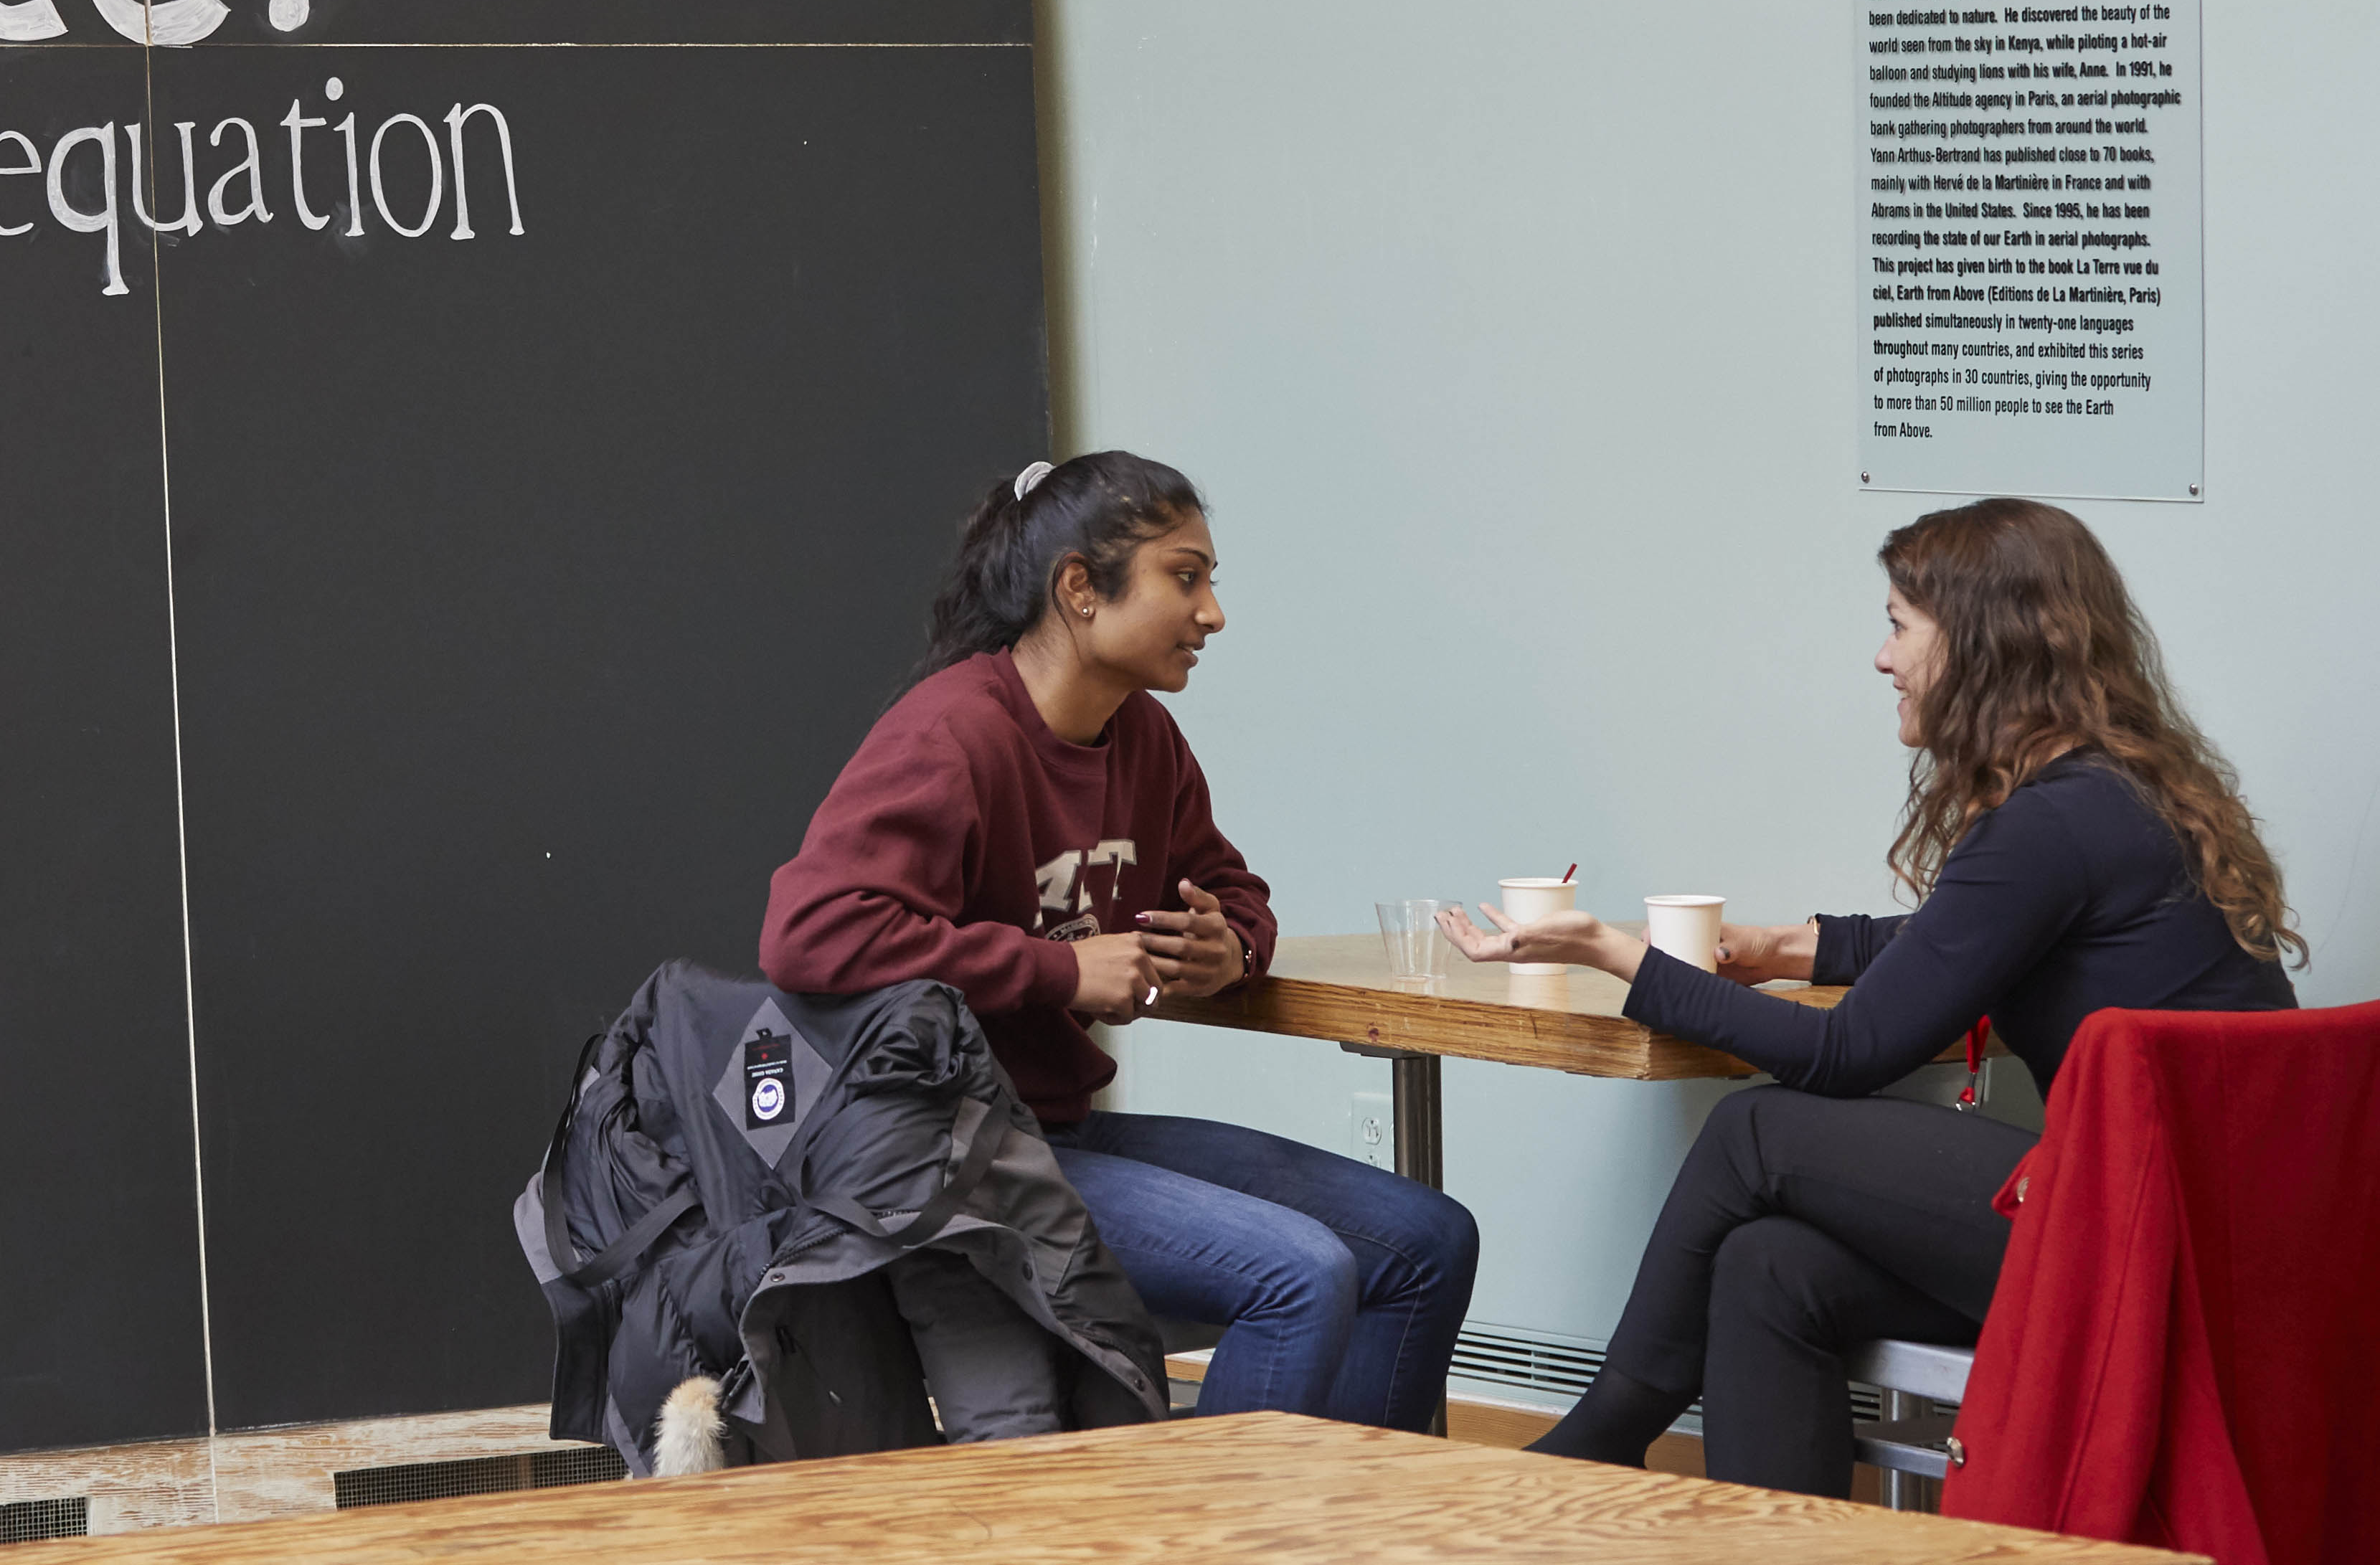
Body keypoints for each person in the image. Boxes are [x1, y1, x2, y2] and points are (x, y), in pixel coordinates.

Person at [1442, 497, 2301, 1493]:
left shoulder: (2051, 824)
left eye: (1898, 626)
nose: (1881, 659)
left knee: (1753, 1131)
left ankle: (1601, 1436)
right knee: (1768, 1267)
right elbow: (1974, 935)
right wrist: (1783, 947)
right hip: (2219, 1238)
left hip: (2150, 1251)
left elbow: (1847, 1054)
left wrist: (1615, 953)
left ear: (1981, 646)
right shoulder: (2114, 793)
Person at [760, 451, 1480, 1432]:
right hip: (951, 1148)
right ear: (1078, 590)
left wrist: (1234, 948)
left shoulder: (1140, 737)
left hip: (1058, 1130)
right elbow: (808, 935)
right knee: (1302, 1276)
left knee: (1427, 1240)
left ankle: (1342, 1529)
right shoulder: (950, 733)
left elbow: (1229, 887)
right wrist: (1056, 968)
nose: (1213, 612)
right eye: (1185, 577)